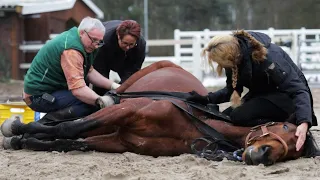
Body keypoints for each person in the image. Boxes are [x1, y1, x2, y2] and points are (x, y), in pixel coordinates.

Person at [186, 30, 317, 152]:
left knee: (238, 117)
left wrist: (304, 122)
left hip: (286, 99)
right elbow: (231, 91)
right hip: (263, 95)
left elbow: (299, 90)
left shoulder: (269, 58)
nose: (221, 66)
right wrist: (206, 99)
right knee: (225, 117)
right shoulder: (235, 59)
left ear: (232, 57)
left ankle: (280, 127)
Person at [23, 17, 119, 125]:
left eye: (99, 42)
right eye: (93, 40)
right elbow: (78, 90)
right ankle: (41, 126)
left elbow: (90, 72)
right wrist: (100, 100)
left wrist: (114, 86)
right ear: (82, 33)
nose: (96, 45)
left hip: (53, 90)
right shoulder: (72, 51)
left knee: (89, 99)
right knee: (88, 104)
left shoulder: (82, 42)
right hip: (38, 95)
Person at [92, 20, 146, 96]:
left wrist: (121, 89)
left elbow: (133, 72)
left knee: (130, 86)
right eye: (125, 43)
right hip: (105, 55)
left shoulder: (141, 45)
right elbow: (100, 73)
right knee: (100, 89)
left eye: (131, 44)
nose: (127, 47)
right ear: (118, 36)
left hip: (126, 61)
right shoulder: (103, 41)